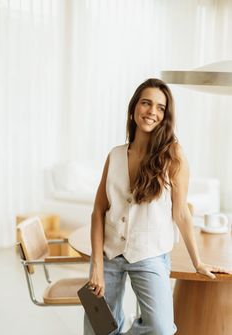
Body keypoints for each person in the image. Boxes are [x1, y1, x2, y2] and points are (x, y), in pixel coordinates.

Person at [83, 78, 231, 335]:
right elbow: (98, 211)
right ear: (133, 109)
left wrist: (198, 262)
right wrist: (96, 265)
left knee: (161, 329)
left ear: (165, 116)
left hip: (149, 255)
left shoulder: (173, 156)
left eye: (160, 108)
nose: (152, 111)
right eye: (146, 103)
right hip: (108, 255)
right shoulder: (115, 155)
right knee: (100, 328)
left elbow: (182, 212)